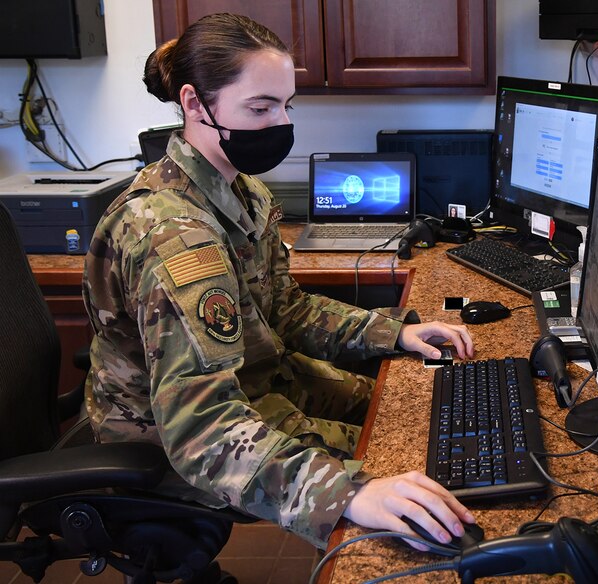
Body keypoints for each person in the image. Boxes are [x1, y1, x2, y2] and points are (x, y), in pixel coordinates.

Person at [82, 13, 475, 550]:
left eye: (286, 106)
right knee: (402, 458)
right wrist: (348, 495)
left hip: (254, 381)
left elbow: (284, 310)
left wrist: (393, 333)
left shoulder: (244, 193)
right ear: (196, 104)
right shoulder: (173, 239)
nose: (279, 123)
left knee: (411, 408)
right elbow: (200, 428)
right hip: (171, 434)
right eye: (260, 107)